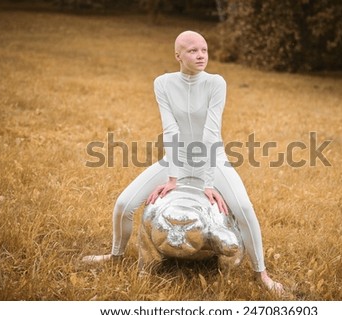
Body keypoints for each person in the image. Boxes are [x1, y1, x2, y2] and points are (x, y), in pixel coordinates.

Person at [83, 30, 284, 295]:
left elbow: (212, 133)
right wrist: (173, 178)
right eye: (192, 50)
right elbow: (170, 130)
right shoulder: (163, 83)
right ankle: (115, 256)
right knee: (124, 204)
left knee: (245, 207)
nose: (201, 55)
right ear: (178, 55)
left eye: (204, 50)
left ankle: (263, 274)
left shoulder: (216, 83)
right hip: (174, 160)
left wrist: (208, 182)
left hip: (213, 160)